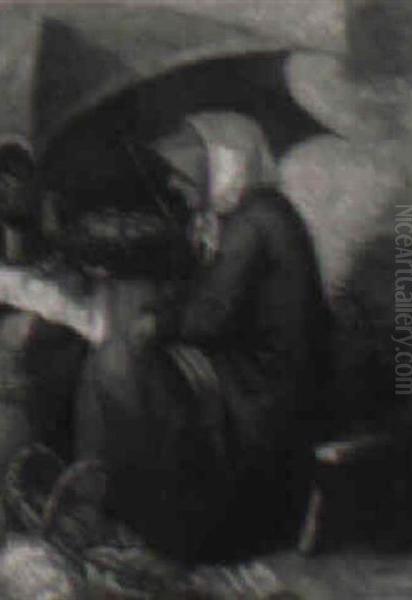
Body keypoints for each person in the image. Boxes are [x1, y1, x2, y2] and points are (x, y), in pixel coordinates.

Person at [75, 111, 332, 562]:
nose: (177, 185)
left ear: (226, 162)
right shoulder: (267, 211)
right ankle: (112, 504)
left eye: (189, 174)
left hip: (261, 396)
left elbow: (208, 319)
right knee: (127, 364)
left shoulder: (255, 222)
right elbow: (220, 300)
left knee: (120, 366)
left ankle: (156, 518)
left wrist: (158, 322)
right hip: (266, 383)